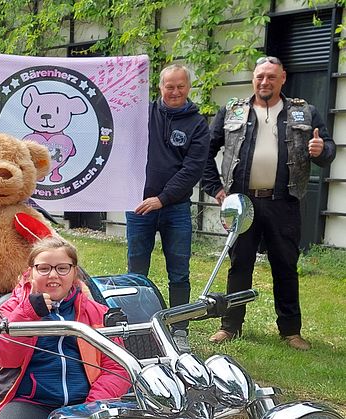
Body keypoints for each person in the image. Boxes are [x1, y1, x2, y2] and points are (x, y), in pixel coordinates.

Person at [201, 56, 336, 351]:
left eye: (271, 77)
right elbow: (205, 151)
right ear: (253, 78)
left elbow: (328, 150)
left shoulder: (304, 112)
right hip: (242, 203)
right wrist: (216, 189)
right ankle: (230, 326)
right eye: (260, 76)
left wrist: (321, 149)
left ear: (283, 78)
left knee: (285, 266)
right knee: (239, 265)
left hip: (283, 203)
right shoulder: (232, 111)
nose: (265, 82)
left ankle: (290, 330)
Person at [0, 236, 131, 419]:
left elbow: (118, 366)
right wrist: (28, 314)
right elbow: (5, 358)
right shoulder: (10, 309)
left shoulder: (97, 312)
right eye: (44, 268)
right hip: (29, 402)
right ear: (31, 273)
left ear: (75, 273)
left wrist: (92, 406)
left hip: (87, 402)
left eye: (62, 268)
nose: (53, 275)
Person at [125, 64, 210, 353]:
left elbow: (193, 169)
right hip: (138, 206)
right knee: (137, 271)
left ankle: (180, 329)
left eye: (180, 86)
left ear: (188, 87)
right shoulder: (140, 115)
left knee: (179, 271)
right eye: (169, 86)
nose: (174, 91)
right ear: (160, 87)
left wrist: (162, 198)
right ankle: (139, 326)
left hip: (175, 208)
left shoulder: (198, 124)